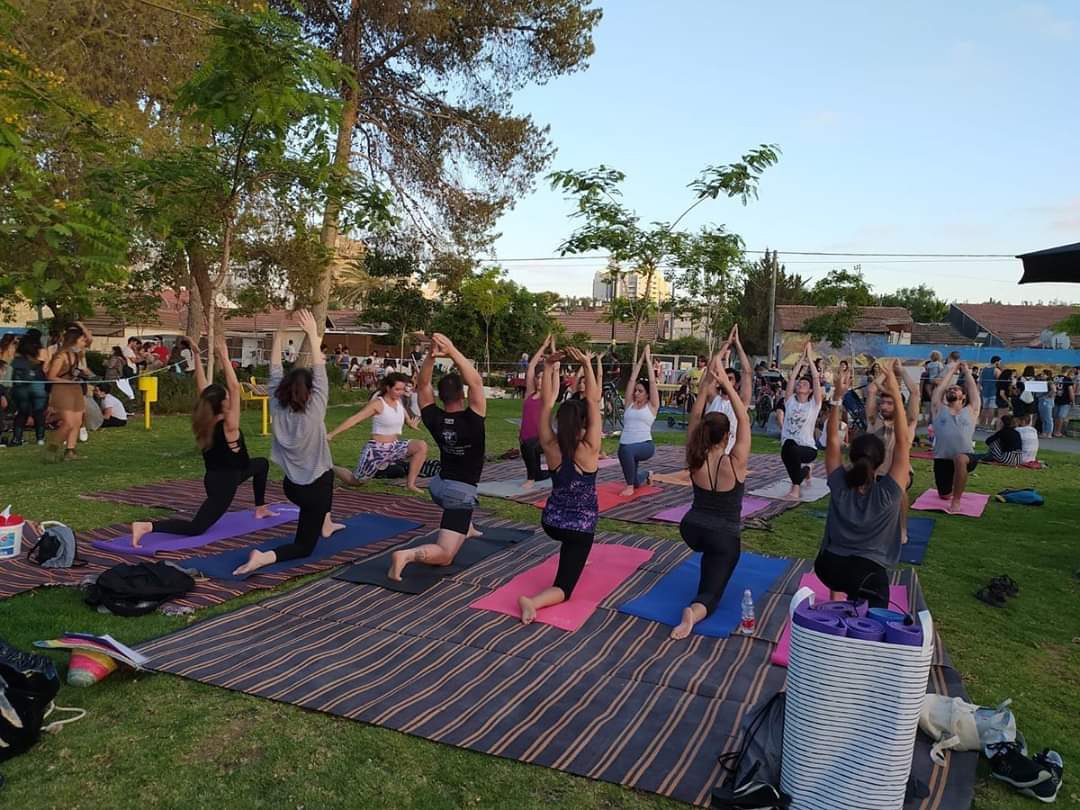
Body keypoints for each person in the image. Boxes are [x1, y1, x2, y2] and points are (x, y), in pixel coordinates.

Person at [129, 335, 275, 547]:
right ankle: (147, 527)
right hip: (224, 485)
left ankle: (260, 508)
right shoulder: (228, 425)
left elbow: (203, 386)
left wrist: (197, 356)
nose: (229, 398)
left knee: (261, 464)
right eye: (226, 397)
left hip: (225, 475)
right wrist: (224, 356)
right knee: (196, 528)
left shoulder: (205, 418)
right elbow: (235, 388)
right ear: (223, 404)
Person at [233, 311, 341, 576]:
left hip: (292, 488)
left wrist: (280, 333)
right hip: (315, 489)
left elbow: (275, 370)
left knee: (326, 471)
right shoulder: (315, 408)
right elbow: (320, 371)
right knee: (304, 546)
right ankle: (264, 557)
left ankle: (324, 523)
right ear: (312, 391)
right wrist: (313, 337)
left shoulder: (277, 406)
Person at [388, 334, 488, 580]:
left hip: (438, 487)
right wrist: (452, 350)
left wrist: (431, 358)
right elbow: (475, 382)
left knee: (463, 505)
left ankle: (467, 527)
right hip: (458, 494)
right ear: (462, 396)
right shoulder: (473, 419)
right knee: (445, 555)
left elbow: (423, 386)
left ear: (441, 397)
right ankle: (406, 556)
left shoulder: (434, 417)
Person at [814, 361, 910, 608]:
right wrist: (897, 396)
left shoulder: (838, 482)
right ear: (880, 463)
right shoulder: (889, 492)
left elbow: (833, 439)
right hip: (868, 576)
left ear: (852, 456)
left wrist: (837, 397)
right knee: (874, 629)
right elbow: (902, 442)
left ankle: (838, 603)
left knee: (851, 584)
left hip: (828, 569)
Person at [670, 352, 751, 640]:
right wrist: (728, 387)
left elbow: (695, 415)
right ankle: (694, 612)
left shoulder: (694, 455)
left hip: (692, 528)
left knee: (711, 556)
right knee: (711, 593)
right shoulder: (735, 461)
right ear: (727, 437)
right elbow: (743, 417)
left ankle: (704, 582)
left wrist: (706, 387)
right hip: (722, 537)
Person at [518, 347, 602, 624]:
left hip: (551, 522)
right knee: (564, 588)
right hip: (578, 529)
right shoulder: (589, 449)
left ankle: (578, 557)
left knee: (573, 546)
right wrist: (587, 365)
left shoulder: (550, 444)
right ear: (585, 423)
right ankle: (532, 602)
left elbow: (546, 403)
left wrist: (550, 365)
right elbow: (593, 400)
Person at [328, 372, 427, 493]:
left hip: (394, 446)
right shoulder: (378, 404)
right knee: (355, 481)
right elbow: (354, 419)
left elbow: (405, 417)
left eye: (402, 389)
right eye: (397, 389)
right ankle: (329, 467)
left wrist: (410, 424)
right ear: (388, 388)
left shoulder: (399, 401)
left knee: (421, 446)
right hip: (376, 450)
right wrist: (332, 434)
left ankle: (410, 484)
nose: (401, 392)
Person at [865, 361, 921, 542]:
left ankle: (902, 529)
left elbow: (915, 392)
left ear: (898, 405)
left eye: (890, 403)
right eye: (883, 403)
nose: (884, 406)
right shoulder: (874, 420)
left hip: (900, 472)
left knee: (901, 488)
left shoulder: (908, 422)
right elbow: (872, 390)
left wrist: (900, 370)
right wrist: (885, 372)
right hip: (876, 473)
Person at [930, 360, 981, 512]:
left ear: (963, 396)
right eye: (950, 389)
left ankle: (956, 502)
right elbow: (940, 389)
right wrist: (952, 371)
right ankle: (954, 485)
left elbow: (974, 391)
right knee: (944, 495)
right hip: (942, 459)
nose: (952, 389)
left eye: (956, 389)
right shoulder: (939, 409)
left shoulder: (971, 410)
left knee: (960, 459)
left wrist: (966, 370)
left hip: (967, 457)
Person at [779, 341, 824, 499]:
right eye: (800, 382)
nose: (801, 384)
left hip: (808, 449)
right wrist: (801, 359)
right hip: (789, 445)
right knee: (788, 447)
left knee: (791, 448)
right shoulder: (790, 401)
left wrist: (810, 358)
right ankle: (805, 472)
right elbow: (792, 378)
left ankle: (795, 489)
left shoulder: (814, 405)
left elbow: (816, 379)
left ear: (810, 390)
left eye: (805, 383)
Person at [617, 344, 660, 497]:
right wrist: (640, 359)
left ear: (648, 394)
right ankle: (646, 476)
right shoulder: (630, 404)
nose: (636, 393)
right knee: (635, 479)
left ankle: (629, 487)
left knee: (625, 450)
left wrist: (648, 361)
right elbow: (631, 380)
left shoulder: (652, 406)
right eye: (635, 390)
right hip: (627, 444)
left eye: (640, 391)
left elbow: (653, 383)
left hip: (645, 446)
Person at [45, 324, 92, 462]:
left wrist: (82, 326)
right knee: (68, 423)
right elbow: (51, 376)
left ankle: (70, 451)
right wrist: (70, 382)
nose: (84, 343)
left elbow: (89, 340)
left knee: (77, 422)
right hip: (62, 389)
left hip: (74, 388)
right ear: (74, 340)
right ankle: (51, 450)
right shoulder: (61, 356)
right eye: (81, 340)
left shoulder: (77, 354)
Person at [703, 324, 752, 455]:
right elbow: (710, 370)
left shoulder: (740, 403)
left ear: (736, 384)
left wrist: (738, 345)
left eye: (729, 378)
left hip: (730, 454)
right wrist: (726, 345)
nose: (725, 380)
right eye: (724, 377)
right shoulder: (713, 398)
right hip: (708, 453)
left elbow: (747, 373)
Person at [519, 335, 553, 490]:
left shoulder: (547, 396)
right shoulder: (529, 394)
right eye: (538, 378)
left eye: (542, 378)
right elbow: (531, 365)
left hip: (541, 439)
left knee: (530, 447)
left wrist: (552, 352)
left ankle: (531, 479)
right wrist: (543, 345)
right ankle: (539, 474)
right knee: (527, 448)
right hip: (525, 436)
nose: (539, 380)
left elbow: (553, 369)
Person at [9, 330, 48, 447]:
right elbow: (45, 369)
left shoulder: (19, 351)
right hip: (38, 383)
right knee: (39, 412)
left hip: (21, 385)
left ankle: (17, 438)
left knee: (22, 412)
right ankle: (40, 439)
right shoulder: (42, 351)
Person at [979, 357, 1001, 429]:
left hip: (984, 391)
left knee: (984, 409)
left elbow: (980, 381)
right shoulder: (996, 370)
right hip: (993, 391)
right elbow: (1000, 381)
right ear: (997, 362)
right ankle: (988, 425)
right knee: (991, 409)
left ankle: (981, 425)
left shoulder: (984, 369)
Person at [1052, 365, 1074, 438]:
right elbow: (1070, 391)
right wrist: (1072, 400)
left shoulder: (1055, 377)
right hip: (1065, 400)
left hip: (1055, 399)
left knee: (1055, 417)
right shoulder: (1068, 379)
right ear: (1068, 371)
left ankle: (1053, 431)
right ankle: (1058, 432)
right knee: (1061, 417)